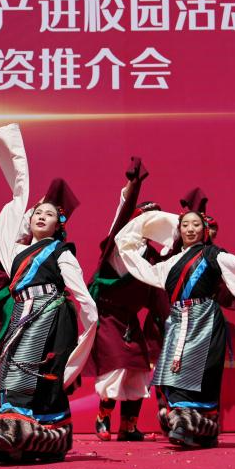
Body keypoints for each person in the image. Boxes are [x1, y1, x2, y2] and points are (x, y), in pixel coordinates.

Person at [0, 124, 98, 464]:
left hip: (50, 314)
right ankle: (26, 439)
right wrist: (16, 166)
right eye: (37, 213)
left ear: (59, 225)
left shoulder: (61, 252)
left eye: (49, 214)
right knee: (15, 370)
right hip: (22, 314)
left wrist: (88, 327)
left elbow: (81, 293)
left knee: (36, 373)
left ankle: (26, 436)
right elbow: (12, 211)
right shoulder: (15, 252)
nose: (41, 216)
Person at [116, 204, 235, 448]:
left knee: (197, 375)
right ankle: (199, 429)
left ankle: (188, 426)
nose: (190, 229)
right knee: (168, 376)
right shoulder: (170, 263)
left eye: (196, 224)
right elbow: (139, 264)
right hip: (178, 320)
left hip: (204, 318)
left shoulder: (213, 254)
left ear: (204, 229)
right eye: (185, 224)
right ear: (179, 230)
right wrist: (137, 229)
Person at [84, 158, 163, 442]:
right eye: (145, 219)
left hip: (130, 319)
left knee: (138, 371)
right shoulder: (118, 246)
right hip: (109, 317)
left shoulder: (153, 256)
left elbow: (158, 293)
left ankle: (129, 427)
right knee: (116, 367)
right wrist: (132, 187)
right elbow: (122, 213)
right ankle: (103, 418)